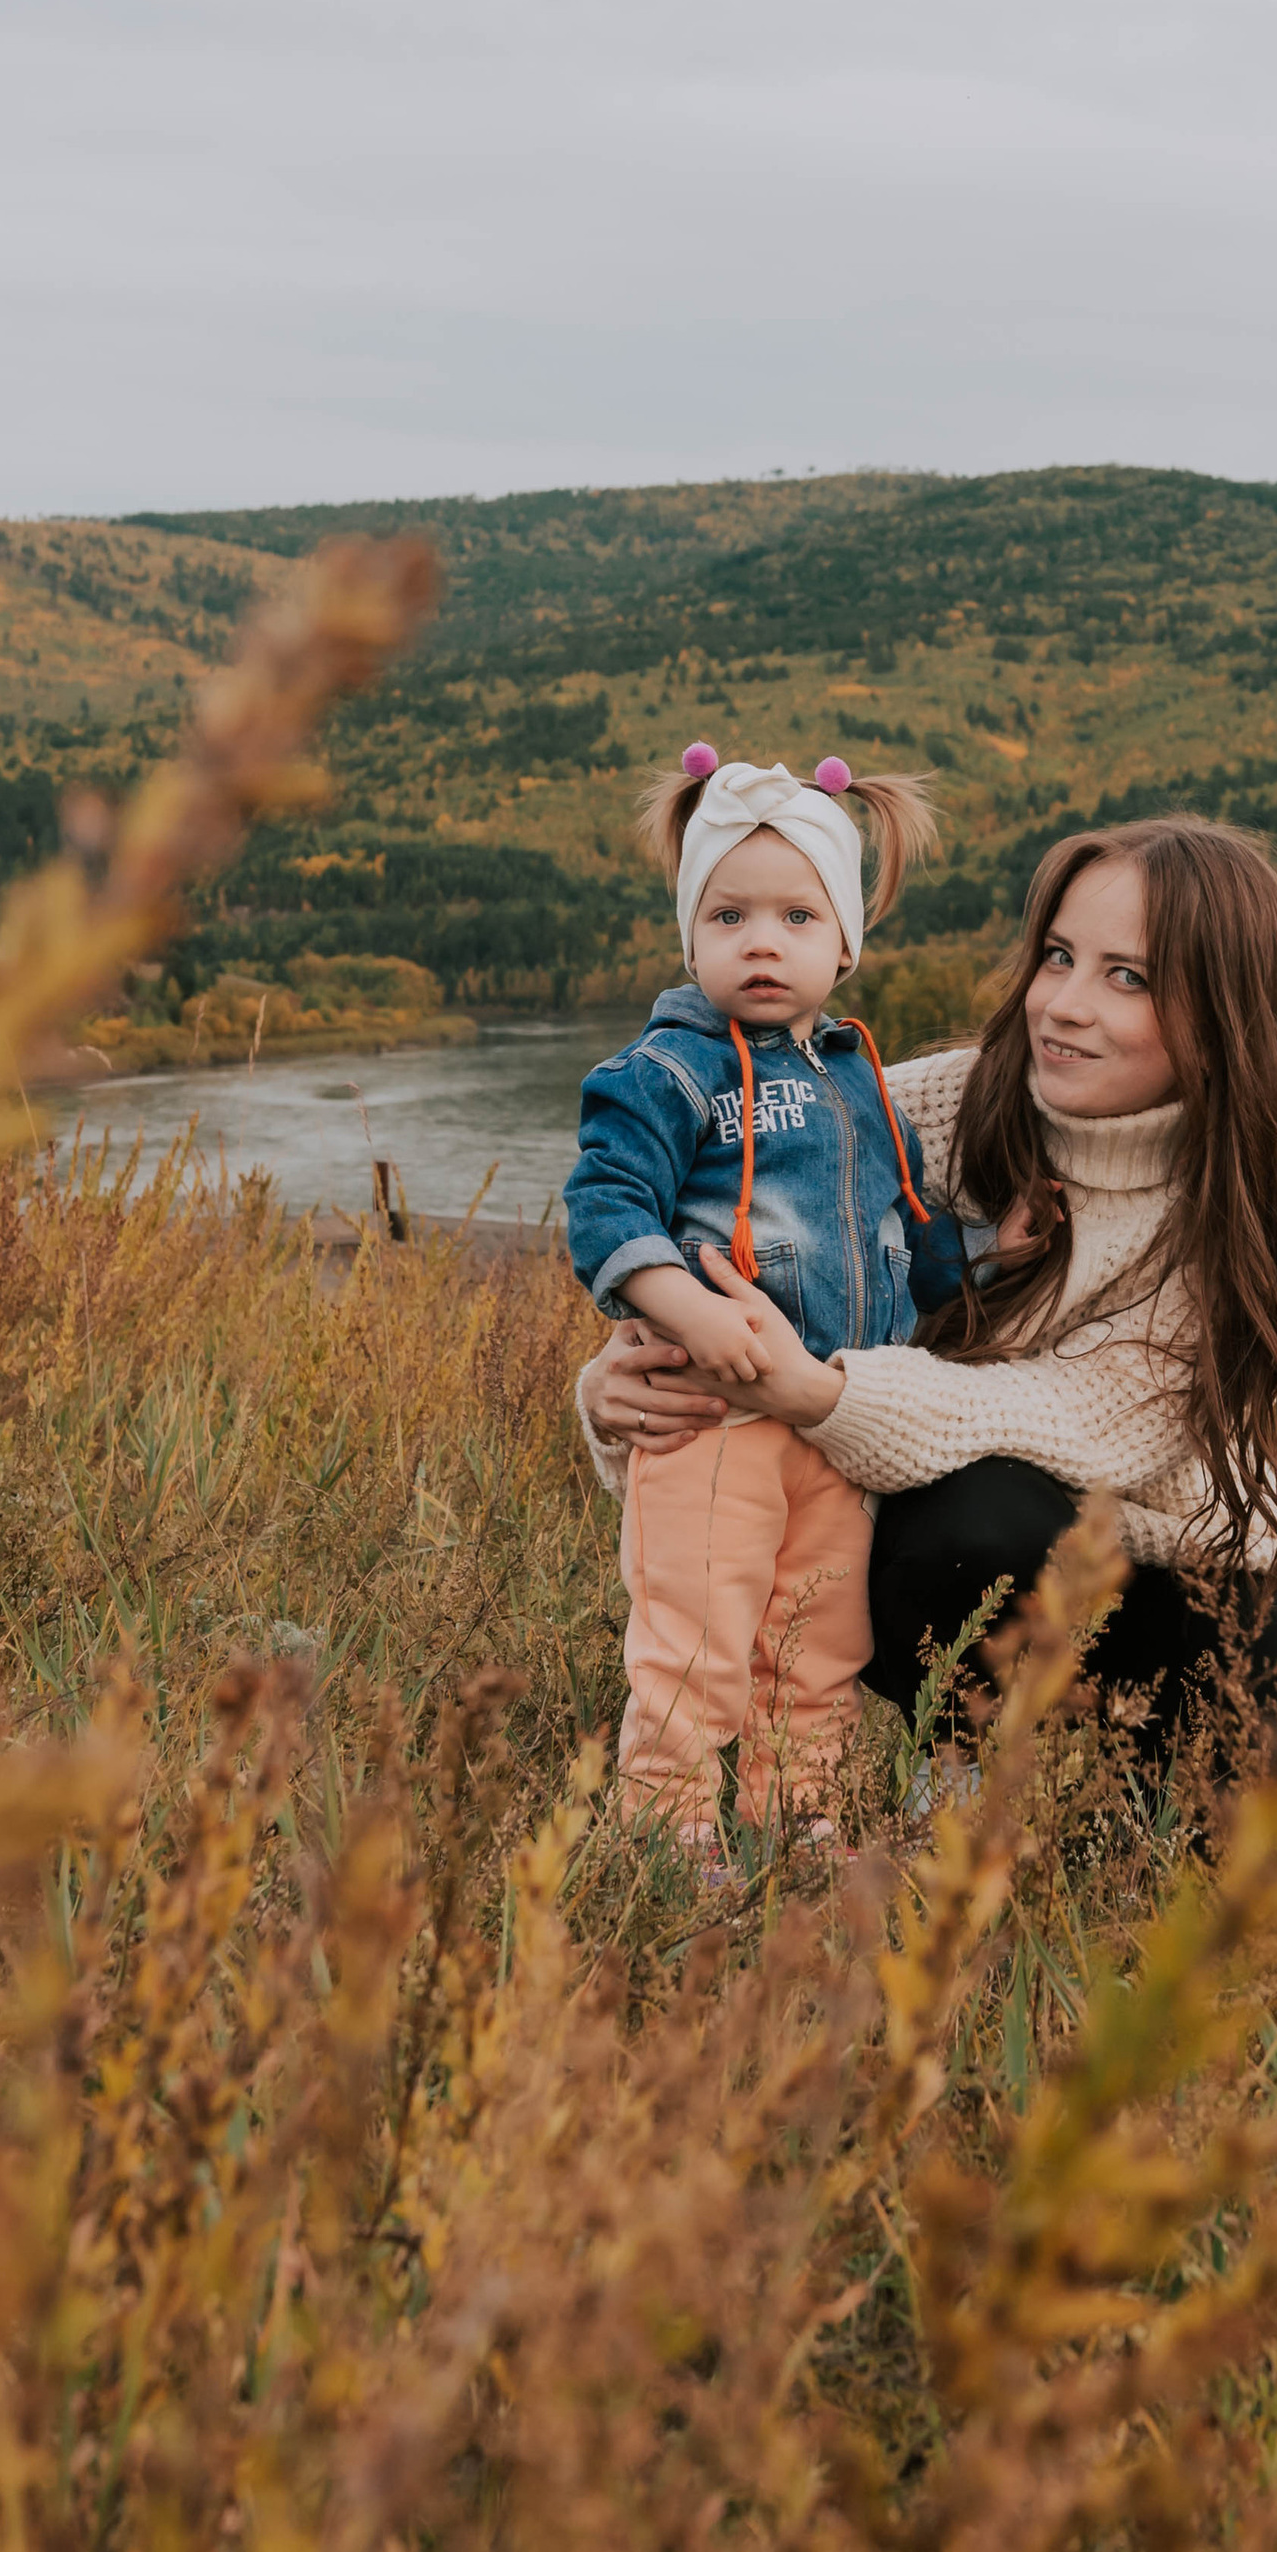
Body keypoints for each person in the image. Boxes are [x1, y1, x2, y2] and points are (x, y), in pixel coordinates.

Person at [577, 810, 1277, 1789]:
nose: (1063, 1006)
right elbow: (716, 1233)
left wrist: (823, 1394)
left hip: (1181, 1562)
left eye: (1128, 976)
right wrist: (625, 1379)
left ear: (1226, 1011)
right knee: (971, 1513)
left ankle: (1122, 1781)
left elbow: (1103, 1413)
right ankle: (955, 1764)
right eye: (1058, 957)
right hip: (953, 1553)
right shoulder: (903, 1112)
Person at [562, 745, 967, 1850]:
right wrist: (682, 1310)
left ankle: (800, 1816)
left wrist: (989, 1257)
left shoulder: (858, 1084)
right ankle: (669, 1829)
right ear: (691, 935)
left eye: (796, 918)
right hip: (714, 1419)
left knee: (815, 1640)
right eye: (728, 915)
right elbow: (605, 1204)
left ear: (845, 943)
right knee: (695, 1632)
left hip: (832, 1420)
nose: (761, 942)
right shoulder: (667, 1069)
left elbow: (911, 1235)